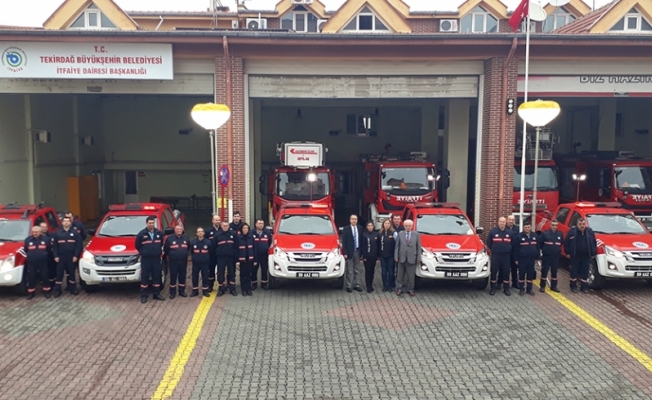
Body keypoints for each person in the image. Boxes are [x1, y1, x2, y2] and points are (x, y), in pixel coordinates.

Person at [135, 216, 165, 303]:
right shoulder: (141, 234)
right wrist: (144, 252)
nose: (151, 224)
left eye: (153, 223)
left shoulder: (159, 233)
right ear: (146, 223)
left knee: (157, 276)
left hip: (156, 259)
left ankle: (156, 294)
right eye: (150, 223)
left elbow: (161, 244)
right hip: (146, 260)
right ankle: (144, 296)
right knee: (145, 277)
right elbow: (137, 245)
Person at [563, 218, 597, 294]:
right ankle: (573, 286)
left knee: (585, 272)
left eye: (583, 224)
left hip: (586, 256)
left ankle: (584, 287)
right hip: (575, 256)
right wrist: (567, 253)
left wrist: (593, 253)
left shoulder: (589, 232)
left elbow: (593, 243)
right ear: (577, 224)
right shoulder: (572, 232)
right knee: (574, 272)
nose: (582, 226)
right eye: (580, 224)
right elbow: (567, 242)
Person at [52, 216, 83, 298]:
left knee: (72, 273)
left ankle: (73, 289)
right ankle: (58, 290)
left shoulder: (75, 233)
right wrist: (55, 256)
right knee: (59, 274)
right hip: (61, 257)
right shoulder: (57, 233)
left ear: (70, 223)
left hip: (71, 257)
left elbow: (78, 245)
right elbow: (55, 246)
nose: (66, 222)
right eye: (64, 221)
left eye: (67, 221)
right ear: (62, 223)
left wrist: (76, 256)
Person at [487, 217, 513, 296]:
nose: (502, 223)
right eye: (501, 222)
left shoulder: (510, 232)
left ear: (506, 223)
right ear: (498, 222)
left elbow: (513, 244)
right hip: (496, 255)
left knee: (506, 272)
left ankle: (506, 289)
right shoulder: (493, 232)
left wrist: (507, 249)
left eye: (503, 222)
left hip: (506, 256)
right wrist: (495, 249)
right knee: (494, 271)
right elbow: (489, 242)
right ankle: (493, 288)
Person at [23, 226, 52, 299]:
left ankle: (46, 291)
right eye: (33, 232)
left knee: (44, 276)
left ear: (40, 232)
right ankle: (31, 292)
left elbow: (49, 249)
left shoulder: (46, 239)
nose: (34, 233)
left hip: (43, 262)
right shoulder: (28, 240)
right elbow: (26, 249)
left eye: (36, 232)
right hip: (32, 262)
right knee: (31, 277)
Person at [394, 219, 420, 297]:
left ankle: (411, 289)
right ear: (404, 226)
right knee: (400, 275)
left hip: (412, 258)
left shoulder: (416, 234)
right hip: (401, 258)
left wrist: (418, 258)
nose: (408, 227)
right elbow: (397, 246)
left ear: (412, 226)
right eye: (406, 226)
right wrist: (396, 256)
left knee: (411, 276)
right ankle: (399, 289)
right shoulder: (400, 234)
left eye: (409, 226)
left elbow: (418, 247)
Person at [513, 220, 539, 296]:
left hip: (531, 259)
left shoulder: (535, 236)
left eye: (528, 227)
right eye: (525, 227)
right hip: (522, 259)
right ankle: (521, 289)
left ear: (531, 227)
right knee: (522, 274)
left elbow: (537, 247)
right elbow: (515, 249)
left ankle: (529, 289)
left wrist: (537, 257)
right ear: (523, 228)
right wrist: (516, 259)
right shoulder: (519, 237)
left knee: (530, 275)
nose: (527, 229)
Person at [163, 225, 189, 299]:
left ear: (182, 230)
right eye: (177, 229)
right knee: (173, 276)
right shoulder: (169, 239)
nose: (179, 230)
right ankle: (172, 292)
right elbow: (166, 250)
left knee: (182, 276)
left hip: (183, 261)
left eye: (180, 229)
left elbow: (188, 248)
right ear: (175, 230)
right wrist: (172, 255)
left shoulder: (186, 238)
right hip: (173, 261)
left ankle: (182, 291)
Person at [538, 219, 563, 293]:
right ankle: (542, 286)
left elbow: (561, 243)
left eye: (556, 225)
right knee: (544, 271)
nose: (554, 227)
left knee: (554, 272)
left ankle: (554, 286)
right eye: (553, 225)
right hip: (547, 256)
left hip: (556, 256)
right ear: (550, 225)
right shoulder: (545, 234)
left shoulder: (560, 234)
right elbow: (540, 243)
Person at [341, 214, 364, 293]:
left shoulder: (360, 228)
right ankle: (349, 285)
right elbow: (344, 242)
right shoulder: (346, 229)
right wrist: (345, 253)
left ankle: (356, 285)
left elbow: (361, 240)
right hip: (350, 252)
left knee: (356, 270)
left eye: (355, 219)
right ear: (350, 220)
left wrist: (362, 252)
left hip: (357, 251)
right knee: (349, 270)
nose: (354, 220)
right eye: (353, 219)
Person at [215, 221, 238, 296]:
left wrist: (236, 258)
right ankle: (221, 289)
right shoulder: (217, 235)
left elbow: (236, 246)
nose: (225, 227)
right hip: (220, 258)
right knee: (220, 274)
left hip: (231, 258)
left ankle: (232, 289)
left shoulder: (233, 234)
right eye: (224, 226)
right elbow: (213, 247)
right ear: (221, 226)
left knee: (231, 273)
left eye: (227, 226)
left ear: (229, 226)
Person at [190, 227, 211, 297]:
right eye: (198, 232)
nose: (200, 233)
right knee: (195, 277)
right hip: (196, 263)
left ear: (204, 233)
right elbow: (192, 252)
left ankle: (205, 291)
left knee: (205, 277)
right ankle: (195, 291)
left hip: (205, 263)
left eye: (201, 231)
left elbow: (210, 252)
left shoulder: (208, 242)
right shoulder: (193, 242)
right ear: (196, 233)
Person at [236, 223, 256, 297]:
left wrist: (255, 260)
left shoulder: (251, 237)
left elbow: (254, 249)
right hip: (242, 260)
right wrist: (237, 261)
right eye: (244, 228)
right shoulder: (238, 238)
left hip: (250, 260)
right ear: (241, 229)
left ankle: (249, 290)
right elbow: (236, 250)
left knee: (249, 275)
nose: (245, 230)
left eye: (246, 228)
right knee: (243, 276)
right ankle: (243, 290)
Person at [252, 219, 272, 290]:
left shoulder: (267, 232)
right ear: (256, 224)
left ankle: (264, 283)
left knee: (264, 269)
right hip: (255, 255)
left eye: (262, 224)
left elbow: (270, 243)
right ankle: (254, 284)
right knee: (254, 270)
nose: (261, 225)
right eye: (259, 223)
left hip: (264, 255)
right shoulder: (252, 232)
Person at [378, 218, 396, 292]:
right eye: (385, 223)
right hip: (382, 255)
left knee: (391, 271)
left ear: (390, 224)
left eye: (388, 223)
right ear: (383, 224)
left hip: (391, 255)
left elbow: (397, 243)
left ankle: (390, 286)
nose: (387, 225)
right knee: (383, 271)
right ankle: (384, 286)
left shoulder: (394, 233)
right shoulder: (380, 233)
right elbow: (378, 244)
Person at [503, 215, 520, 290]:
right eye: (509, 220)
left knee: (514, 268)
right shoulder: (504, 228)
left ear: (514, 221)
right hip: (506, 251)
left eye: (512, 220)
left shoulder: (517, 228)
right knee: (504, 268)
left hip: (514, 251)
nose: (511, 221)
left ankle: (515, 283)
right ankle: (501, 282)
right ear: (507, 220)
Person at [361, 221, 379, 293]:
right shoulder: (364, 235)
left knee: (372, 271)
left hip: (374, 256)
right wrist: (364, 256)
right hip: (367, 256)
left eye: (371, 226)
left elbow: (378, 245)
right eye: (369, 226)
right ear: (366, 227)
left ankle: (371, 285)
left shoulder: (376, 234)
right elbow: (363, 246)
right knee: (368, 271)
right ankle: (368, 286)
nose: (370, 227)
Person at [206, 214, 222, 292]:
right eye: (216, 220)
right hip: (211, 255)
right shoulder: (208, 231)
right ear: (212, 221)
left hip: (220, 255)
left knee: (220, 271)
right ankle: (210, 286)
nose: (218, 221)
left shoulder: (222, 230)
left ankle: (221, 286)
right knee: (211, 270)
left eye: (219, 220)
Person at [39, 222, 56, 290]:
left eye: (45, 227)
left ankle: (52, 285)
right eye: (42, 227)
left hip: (51, 257)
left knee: (52, 271)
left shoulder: (52, 235)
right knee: (43, 272)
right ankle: (44, 286)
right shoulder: (36, 236)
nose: (44, 229)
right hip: (41, 258)